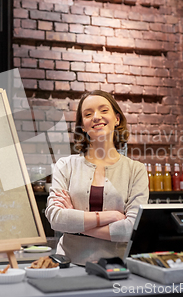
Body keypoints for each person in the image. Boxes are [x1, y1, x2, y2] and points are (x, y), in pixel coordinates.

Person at [45, 90, 149, 265]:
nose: (96, 117)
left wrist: (76, 225)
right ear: (83, 126)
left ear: (117, 119)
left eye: (103, 110)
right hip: (68, 264)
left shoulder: (136, 170)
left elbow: (131, 229)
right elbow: (56, 218)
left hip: (117, 266)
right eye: (88, 114)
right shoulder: (65, 165)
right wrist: (111, 216)